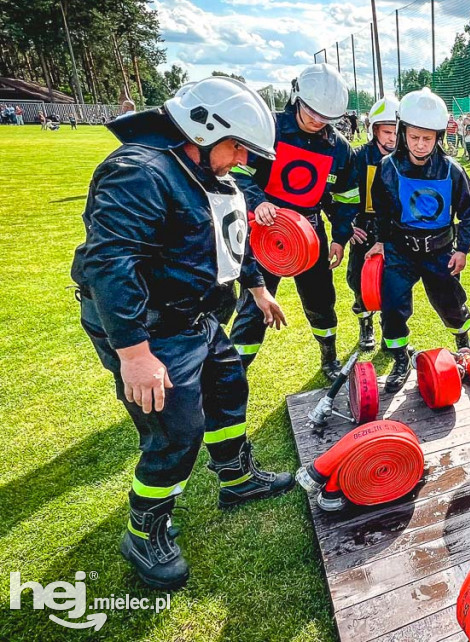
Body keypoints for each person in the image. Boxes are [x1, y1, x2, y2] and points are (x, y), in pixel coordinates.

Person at [70, 77, 294, 590]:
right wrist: (134, 353)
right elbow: (111, 264)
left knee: (228, 387)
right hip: (150, 328)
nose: (241, 158)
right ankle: (144, 530)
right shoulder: (140, 172)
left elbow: (229, 239)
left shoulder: (203, 172)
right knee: (175, 430)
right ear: (204, 127)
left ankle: (235, 478)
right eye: (237, 145)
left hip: (196, 316)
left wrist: (258, 289)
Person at [229, 63, 355, 380]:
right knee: (254, 305)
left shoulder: (340, 148)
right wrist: (259, 203)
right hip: (263, 232)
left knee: (321, 301)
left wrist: (339, 238)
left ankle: (329, 358)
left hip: (311, 235)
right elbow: (236, 172)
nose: (317, 120)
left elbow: (347, 198)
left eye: (326, 116)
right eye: (312, 111)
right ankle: (232, 373)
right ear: (296, 96)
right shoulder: (266, 130)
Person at [366, 88, 470, 391]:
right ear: (403, 132)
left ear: (438, 137)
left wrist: (463, 249)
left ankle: (463, 340)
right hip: (400, 253)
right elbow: (381, 210)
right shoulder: (387, 168)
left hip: (440, 252)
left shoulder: (452, 170)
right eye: (414, 137)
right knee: (392, 308)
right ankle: (401, 358)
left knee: (451, 304)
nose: (420, 145)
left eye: (427, 139)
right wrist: (380, 240)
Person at [345, 96, 399, 351]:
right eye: (387, 132)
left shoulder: (404, 159)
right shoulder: (358, 156)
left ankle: (392, 331)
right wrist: (346, 224)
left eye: (397, 132)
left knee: (394, 283)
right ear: (374, 129)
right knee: (358, 279)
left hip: (394, 228)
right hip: (363, 227)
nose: (392, 138)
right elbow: (338, 193)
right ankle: (365, 324)